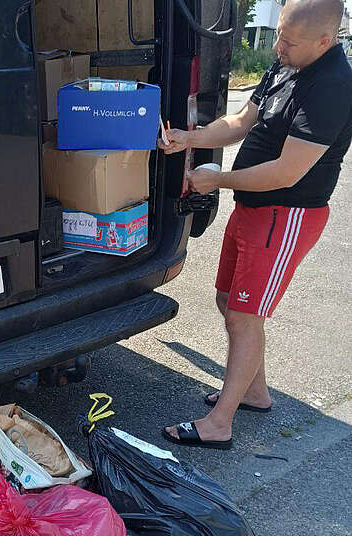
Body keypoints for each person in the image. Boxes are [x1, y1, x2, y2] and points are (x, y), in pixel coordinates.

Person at [159, 0, 352, 450]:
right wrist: (193, 137)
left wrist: (217, 179)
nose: (278, 45)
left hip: (284, 216)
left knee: (246, 316)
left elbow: (287, 172)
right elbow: (243, 121)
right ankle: (254, 391)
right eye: (279, 34)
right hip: (253, 211)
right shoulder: (287, 64)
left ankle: (219, 423)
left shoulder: (333, 86)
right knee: (228, 299)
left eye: (289, 39)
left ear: (326, 41)